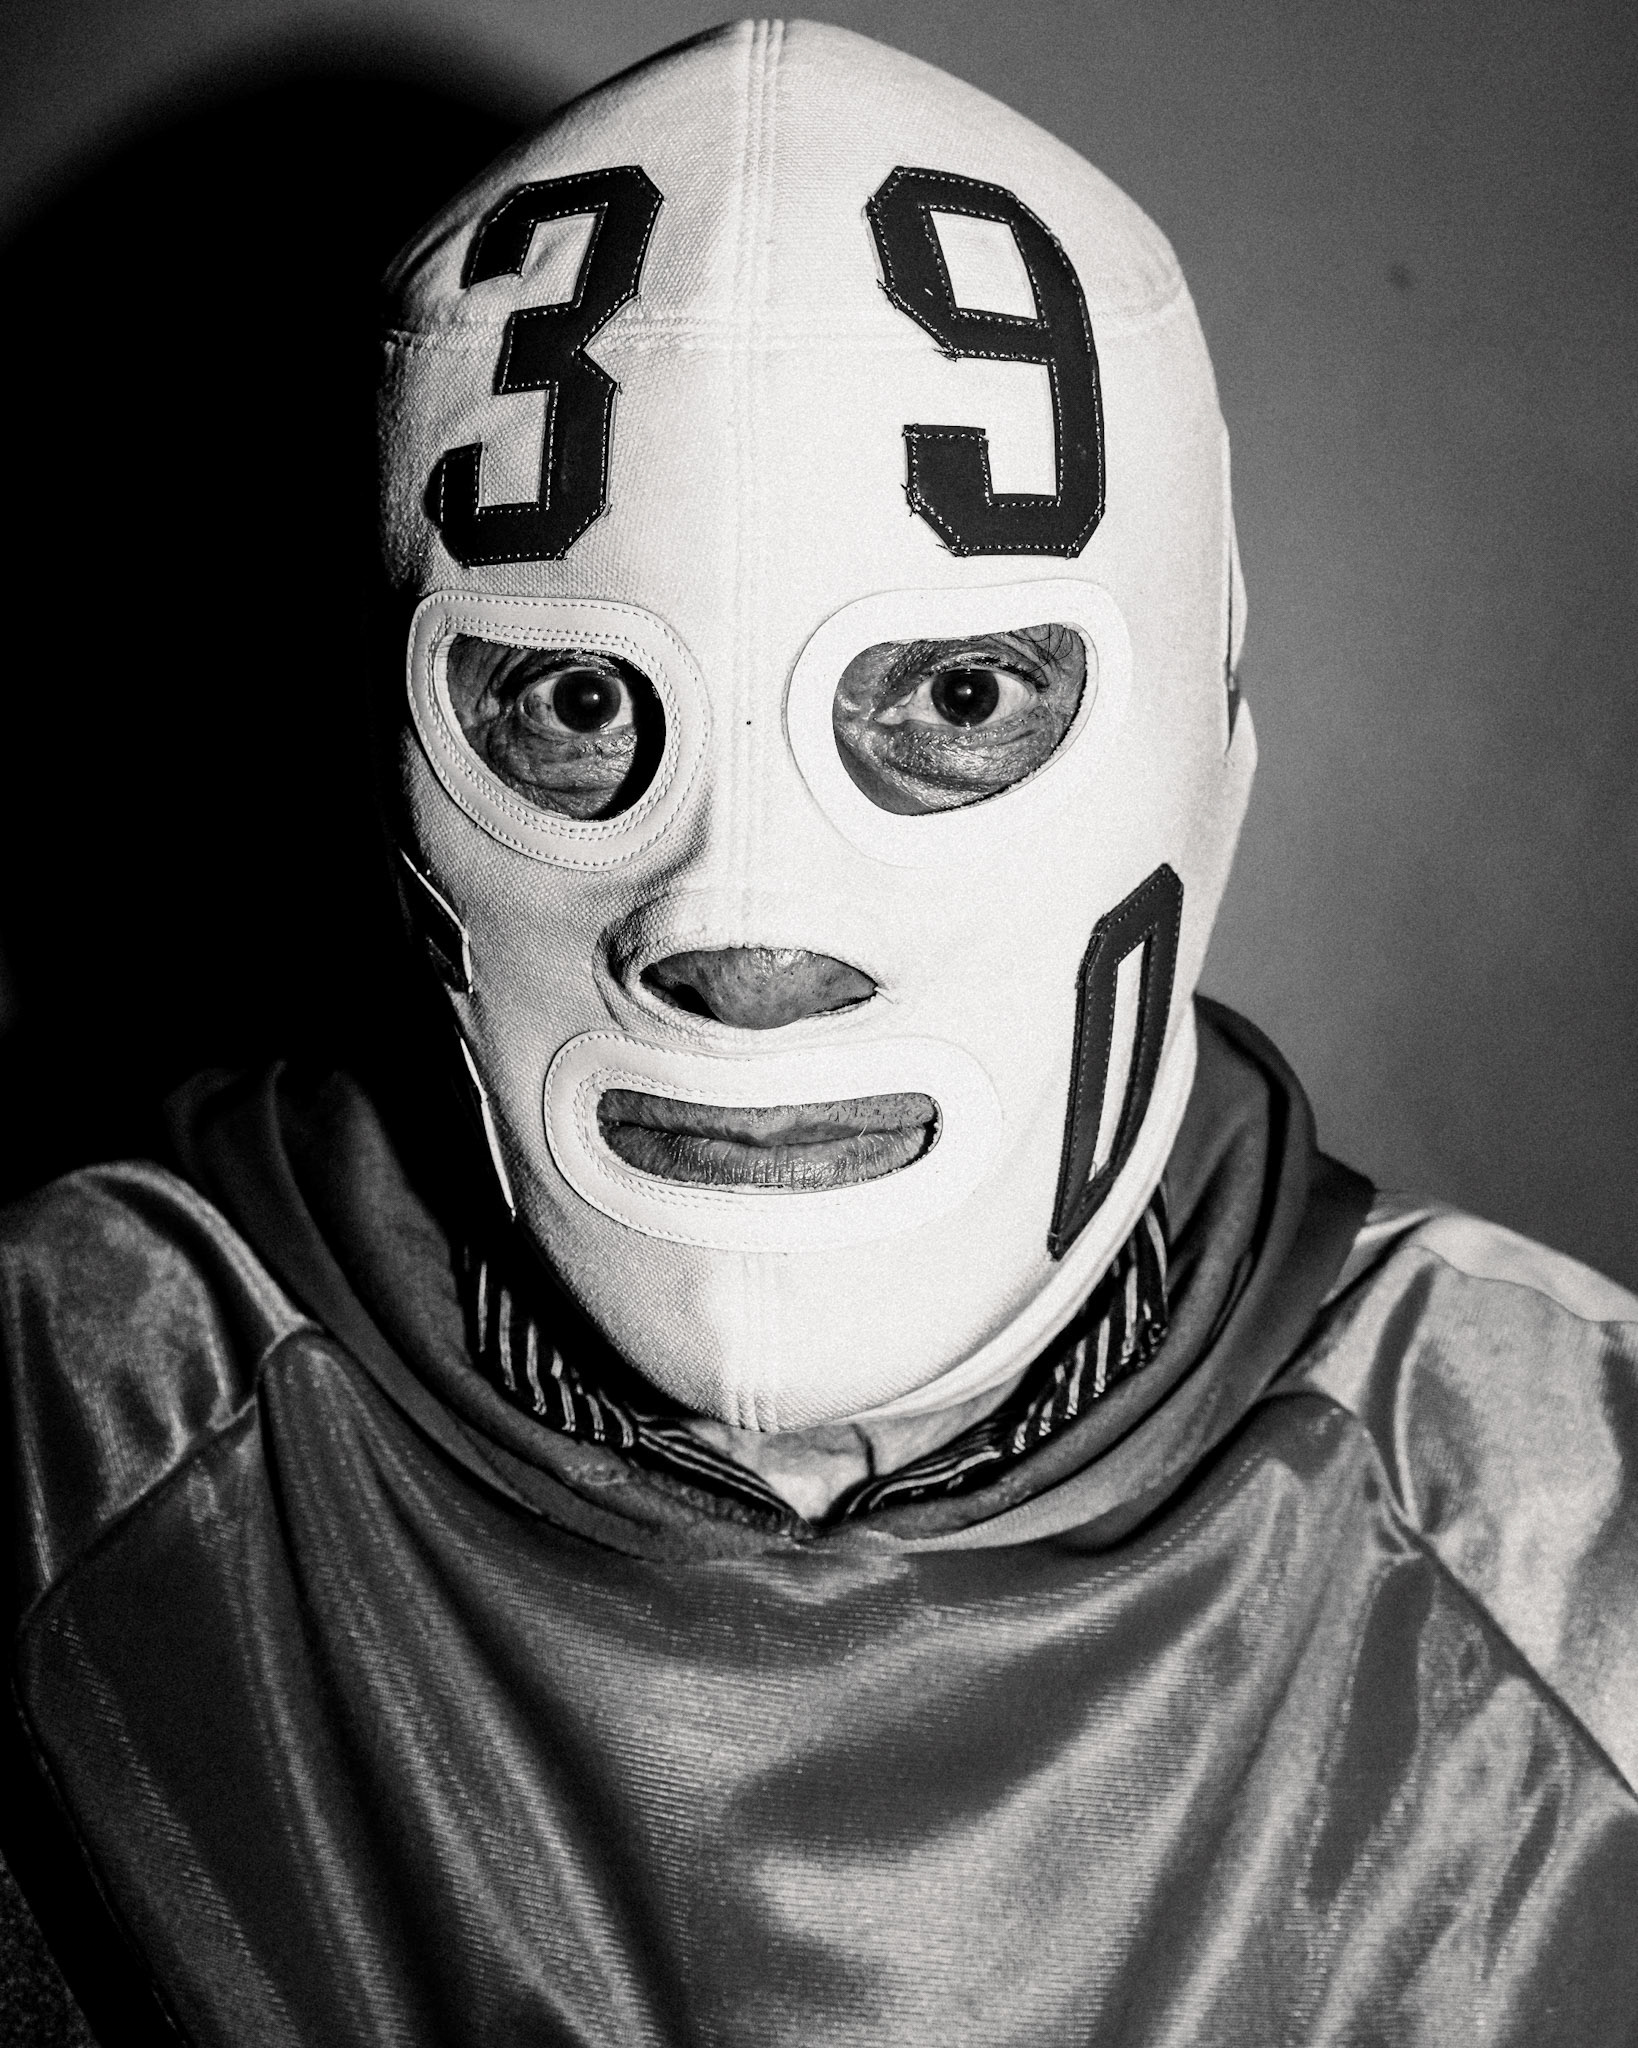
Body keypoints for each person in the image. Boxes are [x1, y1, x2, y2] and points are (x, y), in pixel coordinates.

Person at [3, 18, 1636, 2045]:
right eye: (576, 703)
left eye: (955, 698)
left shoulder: (1569, 1531)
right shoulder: (65, 1434)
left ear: (1200, 729)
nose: (746, 943)